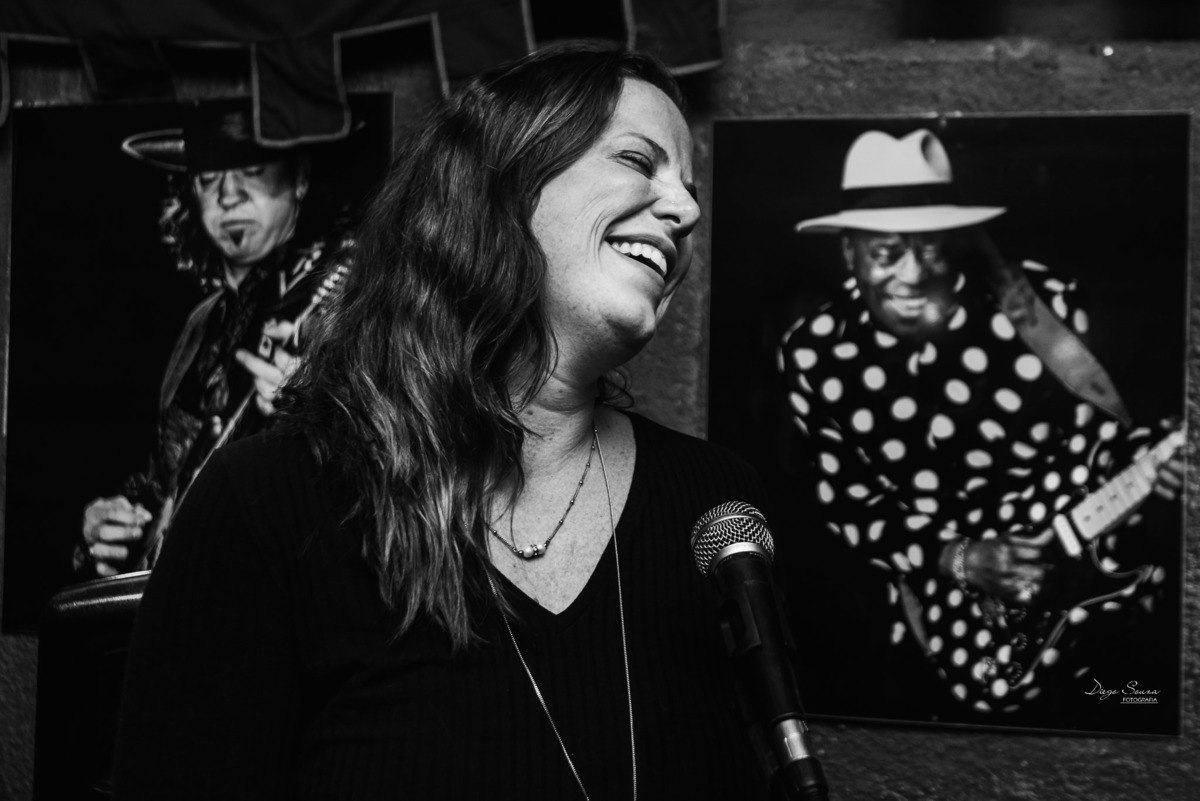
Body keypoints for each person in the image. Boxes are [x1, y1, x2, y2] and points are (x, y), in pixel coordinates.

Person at [113, 44, 774, 799]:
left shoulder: (716, 507)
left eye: (689, 189)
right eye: (637, 159)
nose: (687, 212)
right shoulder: (268, 502)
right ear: (503, 181)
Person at [777, 128, 1183, 724]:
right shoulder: (814, 352)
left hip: (1091, 574)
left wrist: (1159, 463)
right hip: (937, 605)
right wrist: (960, 560)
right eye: (886, 252)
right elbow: (849, 503)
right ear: (849, 252)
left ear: (957, 240)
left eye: (931, 248)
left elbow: (1107, 442)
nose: (913, 274)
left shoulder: (1042, 305)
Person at [74, 98, 353, 577]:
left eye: (252, 171)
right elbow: (167, 477)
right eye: (209, 179)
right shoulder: (199, 325)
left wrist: (322, 415)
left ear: (300, 178)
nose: (228, 197)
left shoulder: (344, 298)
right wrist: (112, 526)